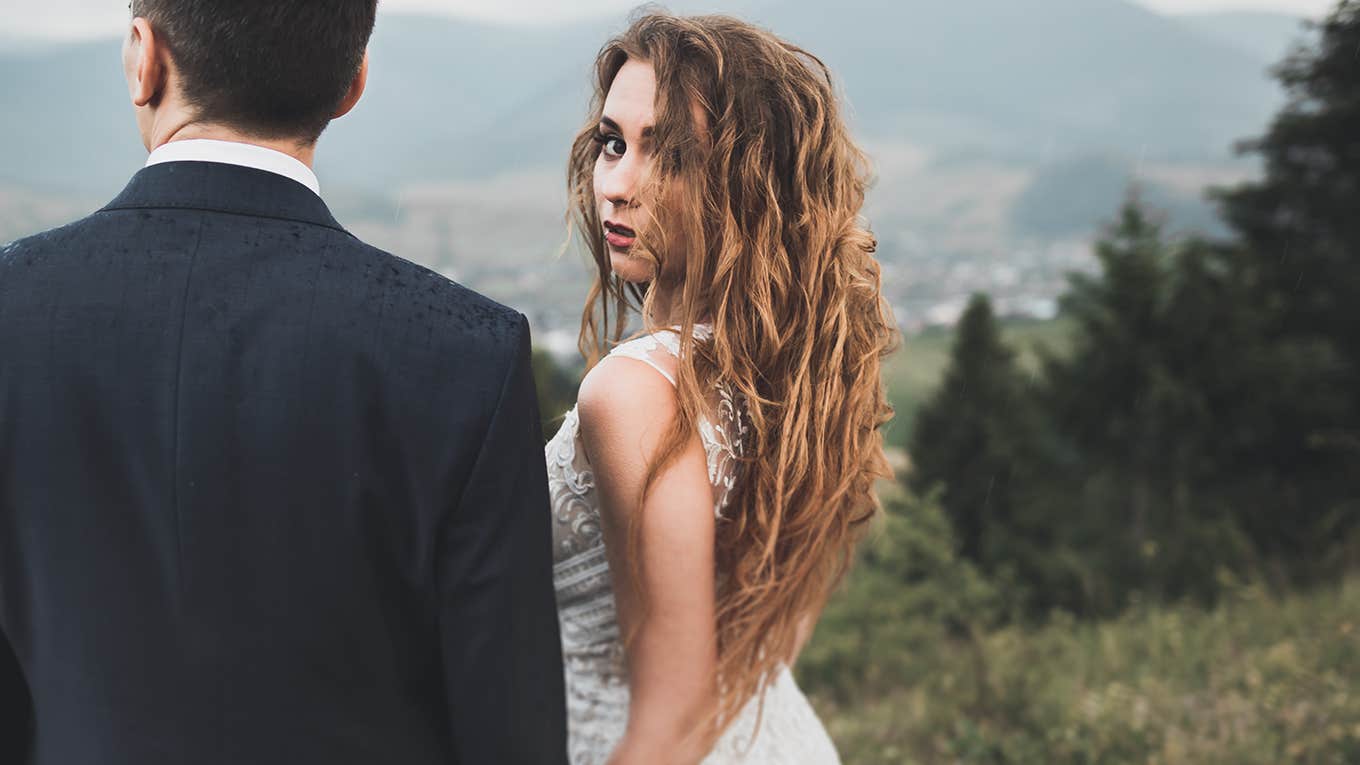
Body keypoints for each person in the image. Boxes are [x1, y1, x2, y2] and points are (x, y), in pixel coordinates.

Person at [0, 2, 566, 763]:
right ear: (352, 83)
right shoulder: (467, 352)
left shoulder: (15, 305)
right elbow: (509, 732)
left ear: (145, 58)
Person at [545, 12, 896, 764]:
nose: (618, 185)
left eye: (670, 155)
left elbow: (673, 726)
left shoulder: (636, 393)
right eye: (614, 142)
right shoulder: (796, 390)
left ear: (749, 183)